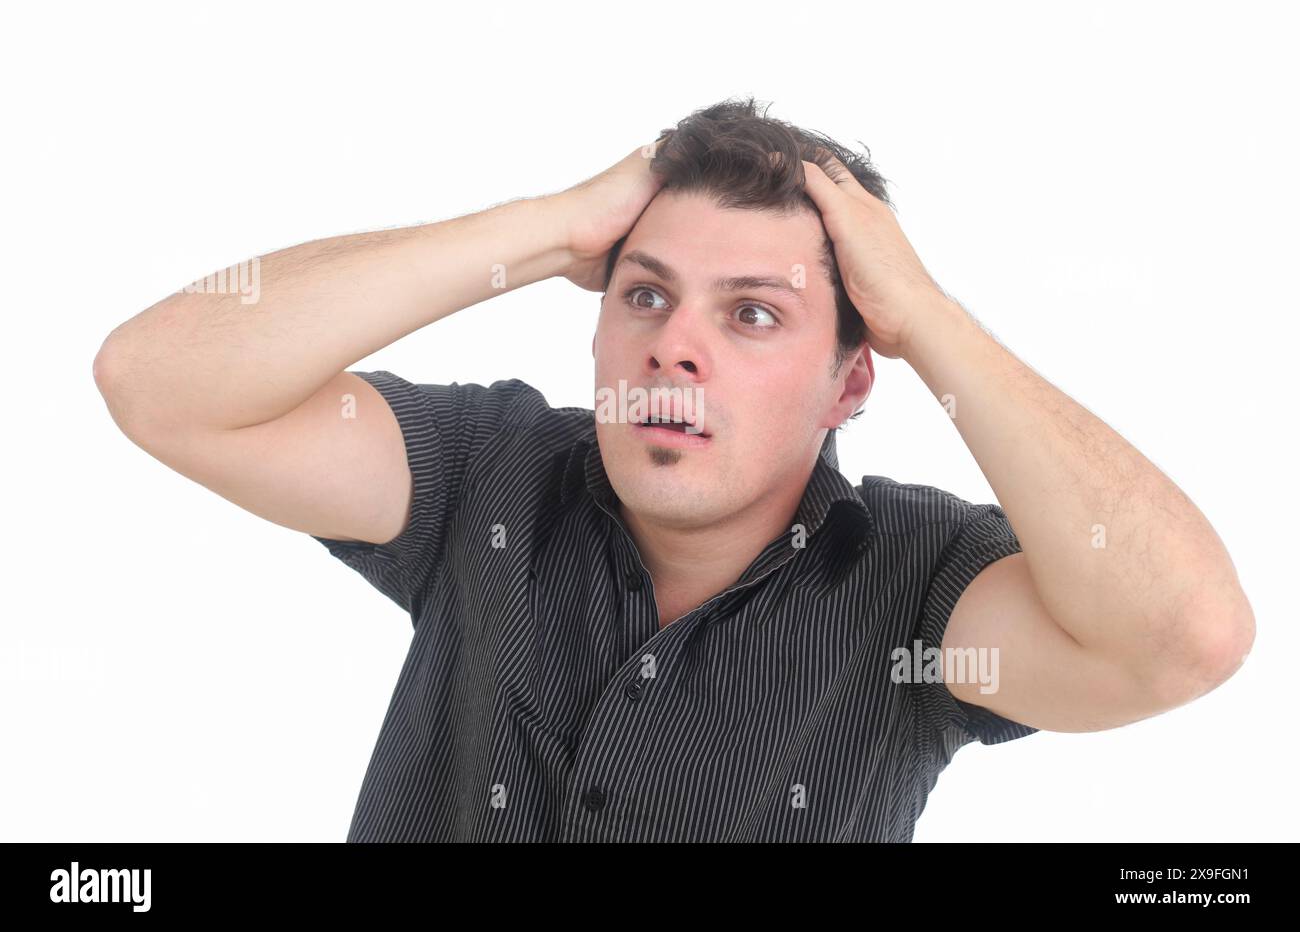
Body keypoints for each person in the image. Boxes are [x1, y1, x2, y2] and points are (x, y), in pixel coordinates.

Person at [94, 97, 1254, 841]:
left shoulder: (920, 584)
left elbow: (1184, 635)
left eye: (752, 312)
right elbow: (159, 381)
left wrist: (929, 318)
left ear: (852, 381)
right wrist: (549, 229)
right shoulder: (487, 475)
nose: (673, 341)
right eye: (644, 293)